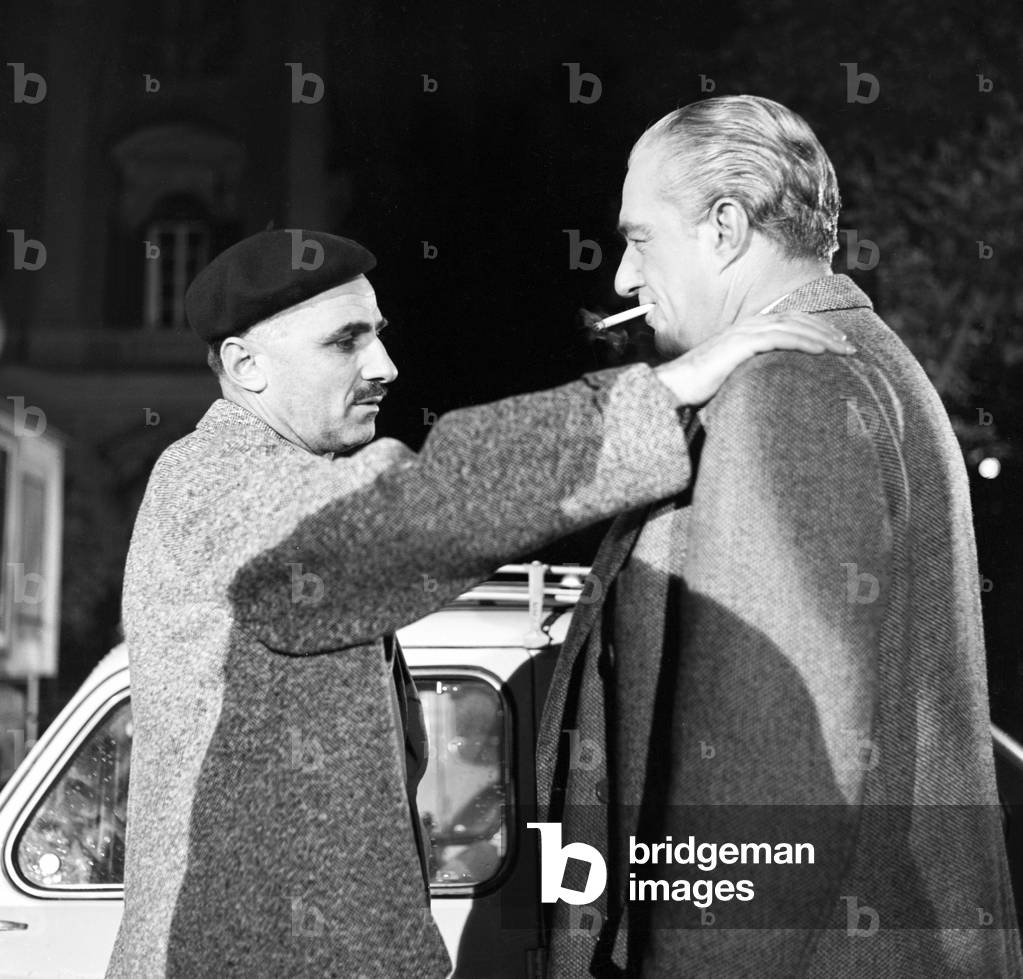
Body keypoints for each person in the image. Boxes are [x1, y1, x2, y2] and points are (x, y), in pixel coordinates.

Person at [105, 228, 849, 979]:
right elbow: (416, 508)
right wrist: (659, 395)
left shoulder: (278, 484)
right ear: (244, 365)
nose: (385, 366)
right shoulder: (212, 485)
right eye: (345, 341)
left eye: (380, 336)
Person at [535, 95, 1023, 978]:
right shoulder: (853, 358)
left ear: (724, 228)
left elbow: (763, 785)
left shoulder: (784, 392)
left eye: (638, 238)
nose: (619, 278)